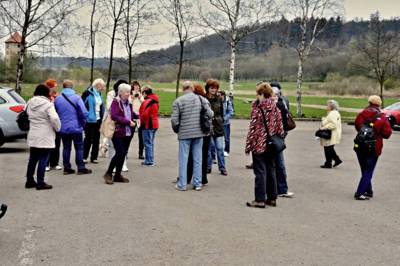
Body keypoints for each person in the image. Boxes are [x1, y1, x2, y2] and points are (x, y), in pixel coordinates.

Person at [245, 82, 284, 208]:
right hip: (272, 144)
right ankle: (272, 198)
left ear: (261, 93)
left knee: (260, 171)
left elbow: (253, 129)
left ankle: (260, 199)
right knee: (271, 169)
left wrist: (248, 146)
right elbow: (280, 129)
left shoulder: (258, 109)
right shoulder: (275, 107)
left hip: (259, 144)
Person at [171, 81, 213, 191]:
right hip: (199, 133)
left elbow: (174, 120)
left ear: (183, 89)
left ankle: (182, 184)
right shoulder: (201, 99)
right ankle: (197, 183)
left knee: (183, 159)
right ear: (192, 88)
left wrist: (177, 129)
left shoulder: (178, 101)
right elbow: (211, 114)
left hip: (184, 133)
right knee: (198, 159)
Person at [354, 95, 392, 200]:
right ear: (379, 104)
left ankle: (368, 191)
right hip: (374, 146)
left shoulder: (362, 113)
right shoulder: (382, 116)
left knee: (365, 169)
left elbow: (357, 126)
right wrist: (377, 133)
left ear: (369, 102)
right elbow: (387, 133)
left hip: (360, 144)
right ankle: (360, 193)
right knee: (369, 170)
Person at [25, 84, 61, 190]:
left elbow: (26, 113)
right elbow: (54, 118)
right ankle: (41, 182)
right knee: (43, 159)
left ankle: (29, 180)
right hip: (45, 134)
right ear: (46, 93)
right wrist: (58, 128)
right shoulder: (48, 104)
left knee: (32, 159)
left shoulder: (30, 102)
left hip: (33, 133)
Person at [55, 80, 92, 175]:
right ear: (72, 87)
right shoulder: (77, 98)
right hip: (76, 127)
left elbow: (55, 113)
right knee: (79, 147)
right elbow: (84, 113)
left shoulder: (58, 99)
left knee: (66, 148)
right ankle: (81, 168)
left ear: (63, 87)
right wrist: (84, 121)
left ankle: (67, 168)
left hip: (63, 128)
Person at [103, 84, 137, 185]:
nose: (128, 94)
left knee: (123, 154)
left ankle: (117, 175)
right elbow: (114, 116)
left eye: (129, 92)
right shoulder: (116, 102)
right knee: (120, 153)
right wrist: (127, 122)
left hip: (127, 132)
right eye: (126, 92)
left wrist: (138, 116)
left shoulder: (128, 102)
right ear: (120, 92)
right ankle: (108, 173)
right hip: (117, 131)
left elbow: (130, 114)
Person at [185, 83, 213, 186]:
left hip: (194, 131)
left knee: (191, 156)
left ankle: (187, 177)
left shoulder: (191, 100)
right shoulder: (204, 100)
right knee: (204, 156)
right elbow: (211, 114)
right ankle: (203, 178)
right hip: (205, 132)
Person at [271, 84, 295, 198]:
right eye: (272, 95)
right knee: (272, 164)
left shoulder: (281, 104)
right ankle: (274, 189)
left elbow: (284, 123)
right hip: (269, 139)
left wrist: (282, 134)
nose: (274, 97)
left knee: (279, 164)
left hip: (278, 138)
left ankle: (281, 189)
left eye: (276, 95)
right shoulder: (265, 106)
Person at [105, 80, 129, 172]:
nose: (128, 93)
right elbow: (109, 107)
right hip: (112, 124)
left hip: (125, 125)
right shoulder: (112, 95)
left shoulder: (127, 97)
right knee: (112, 146)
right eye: (125, 90)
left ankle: (123, 165)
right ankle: (112, 167)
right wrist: (118, 102)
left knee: (123, 149)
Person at [205, 79, 228, 176]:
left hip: (218, 126)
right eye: (211, 88)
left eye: (215, 88)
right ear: (208, 88)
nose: (213, 90)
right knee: (210, 148)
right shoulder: (204, 99)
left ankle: (222, 168)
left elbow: (222, 112)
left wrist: (221, 120)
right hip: (208, 126)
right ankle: (208, 167)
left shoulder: (219, 98)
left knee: (220, 148)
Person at [82, 78, 105, 164]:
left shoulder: (99, 94)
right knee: (88, 139)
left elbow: (102, 106)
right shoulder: (87, 93)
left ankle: (94, 157)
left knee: (96, 139)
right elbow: (82, 105)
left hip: (98, 119)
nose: (103, 88)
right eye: (102, 86)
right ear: (98, 85)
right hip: (89, 120)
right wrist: (87, 115)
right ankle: (84, 157)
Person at [44, 79, 62, 171]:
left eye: (55, 86)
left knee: (57, 143)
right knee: (48, 144)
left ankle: (54, 163)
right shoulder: (45, 97)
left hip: (56, 121)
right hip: (47, 123)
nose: (55, 87)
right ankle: (46, 163)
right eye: (53, 86)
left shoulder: (57, 96)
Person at [139, 86, 159, 166]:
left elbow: (144, 114)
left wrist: (142, 123)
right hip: (155, 123)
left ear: (144, 93)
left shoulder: (147, 101)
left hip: (147, 124)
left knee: (147, 143)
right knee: (151, 143)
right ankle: (150, 158)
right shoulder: (156, 100)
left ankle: (149, 161)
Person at [319, 100, 342, 169]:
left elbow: (333, 124)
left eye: (328, 105)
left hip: (331, 133)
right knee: (329, 148)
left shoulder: (333, 113)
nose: (326, 106)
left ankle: (329, 163)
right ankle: (333, 161)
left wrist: (323, 128)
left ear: (332, 106)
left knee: (328, 148)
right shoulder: (332, 113)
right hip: (332, 133)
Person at [130, 81, 145, 160]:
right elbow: (128, 102)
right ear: (132, 87)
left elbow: (143, 102)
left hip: (139, 116)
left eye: (138, 86)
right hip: (132, 116)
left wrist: (139, 96)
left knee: (141, 136)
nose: (137, 87)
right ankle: (125, 152)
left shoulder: (140, 94)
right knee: (130, 135)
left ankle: (140, 153)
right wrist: (132, 97)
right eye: (135, 86)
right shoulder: (129, 94)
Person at [220, 91, 234, 157]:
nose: (220, 97)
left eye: (221, 96)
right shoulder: (217, 101)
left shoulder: (228, 102)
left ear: (223, 96)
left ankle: (226, 150)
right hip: (218, 123)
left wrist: (224, 118)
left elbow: (231, 112)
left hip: (225, 123)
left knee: (226, 138)